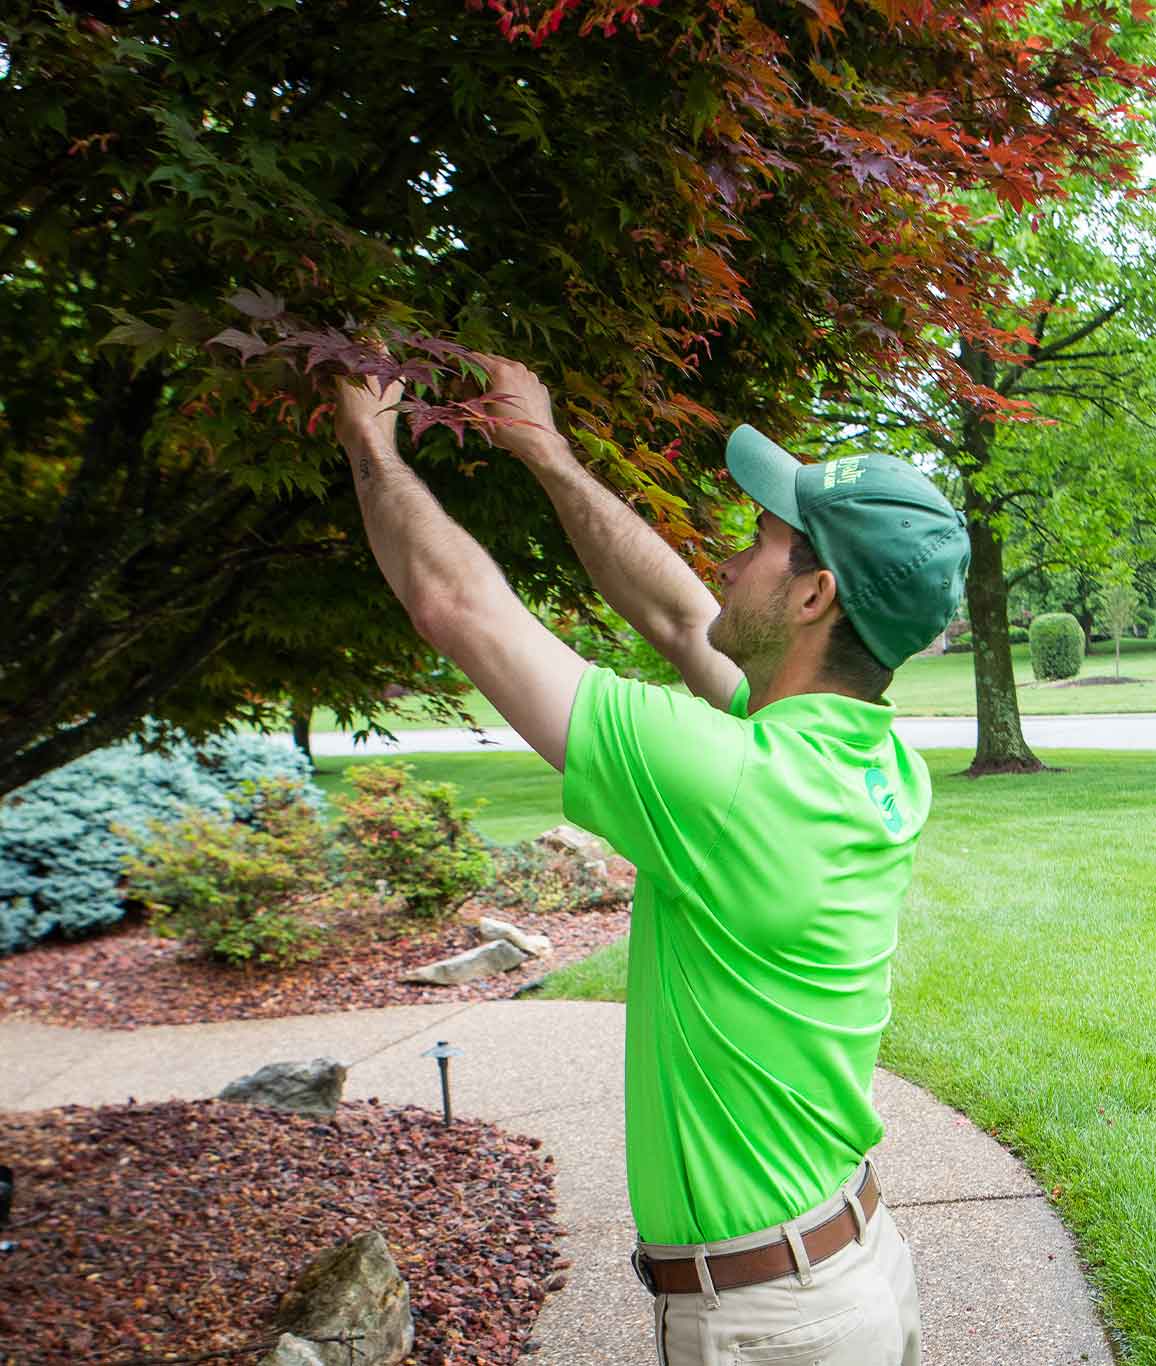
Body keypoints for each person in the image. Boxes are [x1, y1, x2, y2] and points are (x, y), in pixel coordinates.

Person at [333, 354, 970, 1366]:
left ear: (813, 596)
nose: (728, 556)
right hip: (842, 1270)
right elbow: (678, 617)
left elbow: (456, 608)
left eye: (760, 541)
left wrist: (368, 441)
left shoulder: (732, 784)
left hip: (774, 1325)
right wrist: (544, 449)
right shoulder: (872, 757)